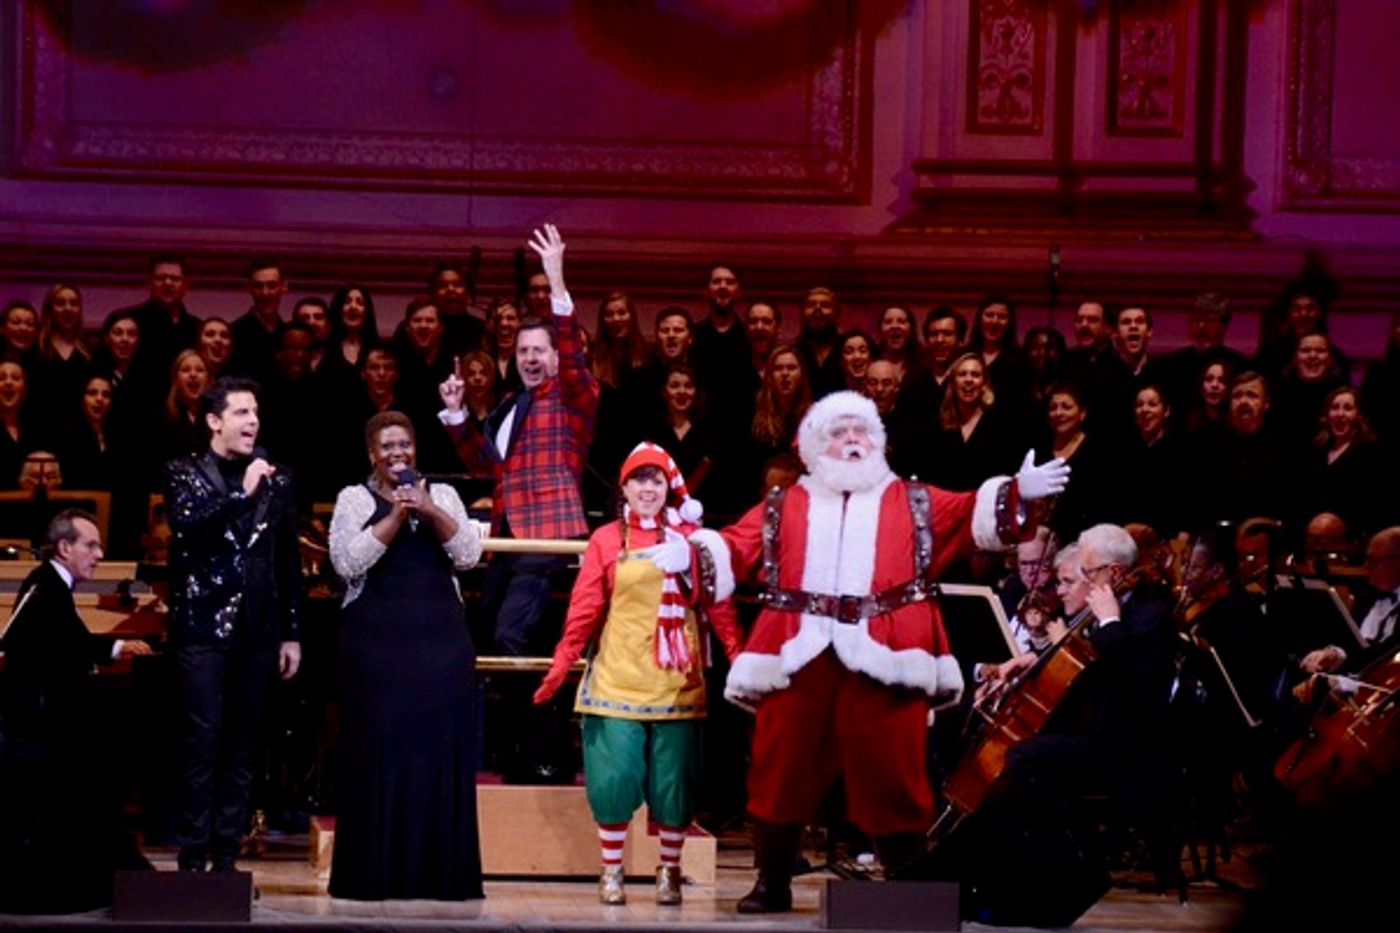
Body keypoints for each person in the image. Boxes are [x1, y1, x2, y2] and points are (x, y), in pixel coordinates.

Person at [688, 390, 1070, 913]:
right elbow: (735, 545)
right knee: (779, 765)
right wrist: (691, 548)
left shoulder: (913, 501)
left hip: (887, 653)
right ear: (815, 446)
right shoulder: (785, 504)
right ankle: (772, 880)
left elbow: (970, 513)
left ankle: (908, 882)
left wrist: (1017, 495)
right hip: (801, 653)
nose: (851, 442)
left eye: (860, 432)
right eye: (839, 433)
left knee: (894, 769)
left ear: (879, 442)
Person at [533, 443, 742, 905]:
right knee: (614, 777)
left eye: (656, 480)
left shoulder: (694, 538)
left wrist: (738, 654)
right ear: (623, 487)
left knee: (675, 783)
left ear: (668, 488)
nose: (647, 489)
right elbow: (585, 606)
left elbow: (718, 603)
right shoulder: (607, 539)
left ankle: (669, 869)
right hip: (617, 678)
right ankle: (611, 871)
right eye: (638, 480)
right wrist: (563, 661)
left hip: (678, 682)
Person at [438, 225, 598, 780]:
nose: (531, 358)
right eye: (523, 350)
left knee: (510, 637)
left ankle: (548, 755)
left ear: (555, 357)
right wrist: (458, 414)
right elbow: (484, 466)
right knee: (488, 637)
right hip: (505, 540)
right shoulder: (510, 405)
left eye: (540, 351)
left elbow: (576, 356)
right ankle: (524, 749)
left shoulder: (574, 397)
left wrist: (554, 279)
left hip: (549, 535)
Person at [326, 411, 484, 900]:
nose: (398, 454)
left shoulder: (445, 495)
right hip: (378, 649)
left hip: (440, 647)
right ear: (372, 454)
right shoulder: (355, 498)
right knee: (381, 752)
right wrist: (395, 515)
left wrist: (430, 510)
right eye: (387, 447)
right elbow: (346, 562)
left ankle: (439, 876)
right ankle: (373, 874)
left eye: (405, 445)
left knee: (437, 753)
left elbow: (469, 555)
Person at [165, 377, 301, 872]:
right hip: (202, 624)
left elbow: (285, 557)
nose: (253, 422)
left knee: (244, 746)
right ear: (214, 421)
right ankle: (192, 852)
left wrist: (291, 631)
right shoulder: (183, 474)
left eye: (256, 412)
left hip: (258, 628)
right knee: (202, 741)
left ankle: (226, 855)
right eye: (242, 413)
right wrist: (241, 496)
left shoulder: (277, 478)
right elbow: (188, 530)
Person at [0, 509, 154, 912]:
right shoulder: (45, 587)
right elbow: (22, 643)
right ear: (64, 547)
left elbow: (68, 639)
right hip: (39, 726)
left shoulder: (51, 585)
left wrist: (117, 647)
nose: (99, 554)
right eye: (91, 544)